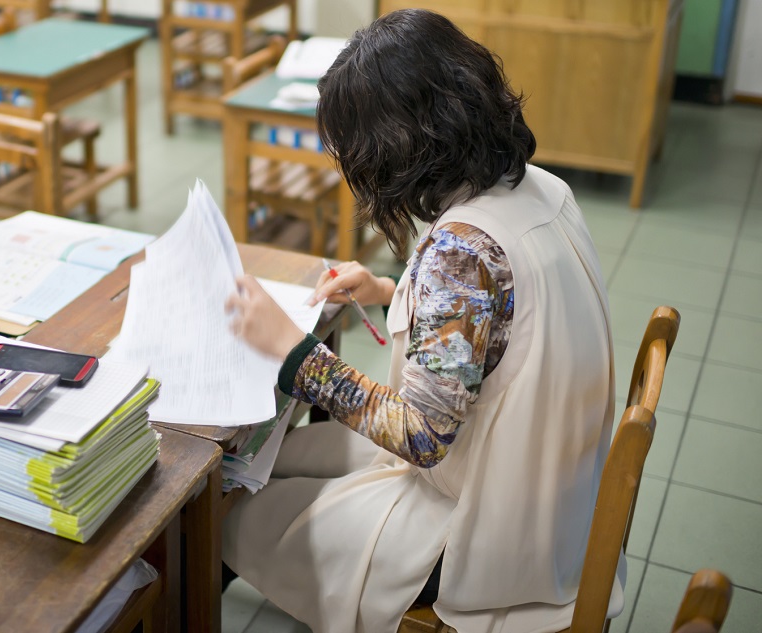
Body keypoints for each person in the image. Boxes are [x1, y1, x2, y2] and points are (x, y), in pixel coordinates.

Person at [223, 9, 620, 633]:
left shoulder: (461, 256)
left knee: (237, 513)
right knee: (289, 455)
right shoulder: (542, 189)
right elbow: (502, 324)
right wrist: (390, 290)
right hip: (553, 488)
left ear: (397, 145)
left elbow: (421, 437)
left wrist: (294, 355)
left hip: (486, 527)